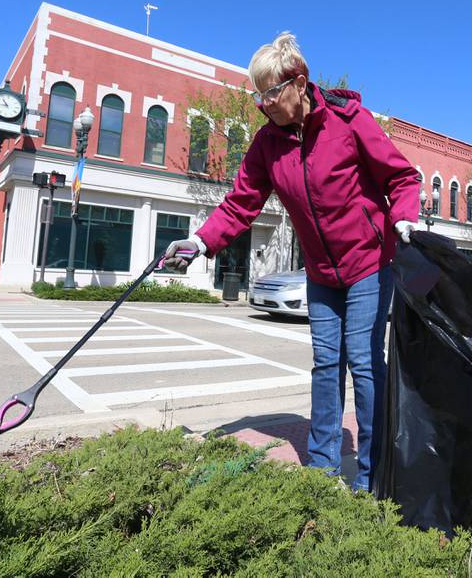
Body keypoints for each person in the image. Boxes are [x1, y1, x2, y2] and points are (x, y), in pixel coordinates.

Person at [165, 32, 420, 491]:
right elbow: (241, 203)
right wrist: (201, 242)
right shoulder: (267, 144)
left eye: (270, 93)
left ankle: (374, 474)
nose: (263, 104)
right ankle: (321, 471)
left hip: (369, 261)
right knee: (326, 364)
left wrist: (404, 219)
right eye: (257, 95)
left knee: (363, 361)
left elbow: (401, 177)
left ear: (299, 84)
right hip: (322, 272)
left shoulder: (349, 120)